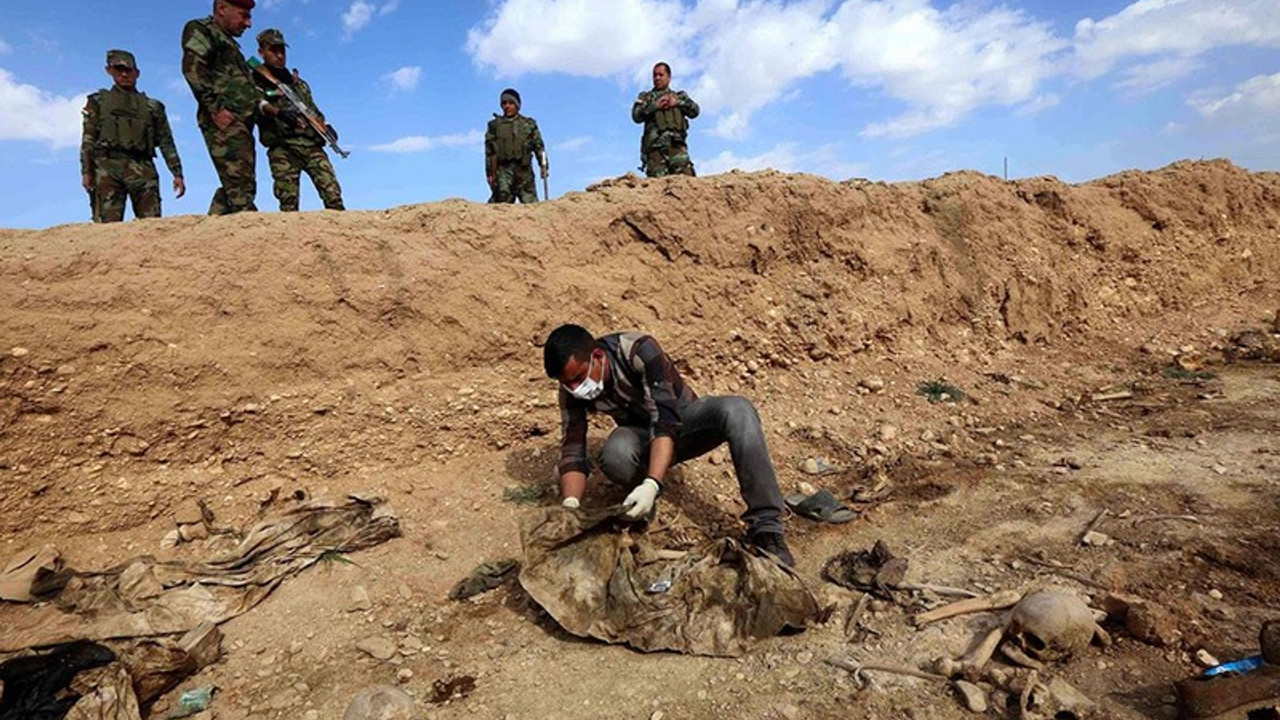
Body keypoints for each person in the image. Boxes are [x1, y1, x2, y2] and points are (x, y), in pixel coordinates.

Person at [542, 324, 794, 567]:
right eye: (567, 383)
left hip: (686, 423)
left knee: (738, 410)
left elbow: (665, 420)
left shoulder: (637, 350)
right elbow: (573, 447)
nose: (575, 388)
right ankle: (641, 502)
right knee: (616, 452)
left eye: (577, 378)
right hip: (643, 438)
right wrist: (570, 506)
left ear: (597, 356)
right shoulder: (571, 390)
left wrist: (652, 483)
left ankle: (766, 527)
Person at [182, 0, 288, 215]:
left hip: (241, 122)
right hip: (225, 120)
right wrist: (215, 109)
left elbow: (248, 90)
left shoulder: (231, 46)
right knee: (240, 188)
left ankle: (213, 230)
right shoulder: (202, 30)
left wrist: (275, 108)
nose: (249, 23)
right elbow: (193, 69)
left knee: (239, 183)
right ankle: (249, 234)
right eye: (243, 15)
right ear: (222, 8)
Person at [80, 50, 185, 223]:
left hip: (142, 168)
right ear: (109, 70)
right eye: (119, 69)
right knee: (107, 228)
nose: (124, 74)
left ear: (137, 73)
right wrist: (86, 171)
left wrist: (177, 173)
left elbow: (166, 142)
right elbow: (88, 139)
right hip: (107, 168)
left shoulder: (153, 107)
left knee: (151, 225)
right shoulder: (98, 102)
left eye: (129, 70)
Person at [252, 29, 344, 212]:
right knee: (289, 205)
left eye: (282, 51)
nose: (279, 55)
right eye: (273, 50)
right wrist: (279, 112)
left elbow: (313, 110)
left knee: (333, 197)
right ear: (261, 52)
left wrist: (326, 127)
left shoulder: (299, 84)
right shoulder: (255, 80)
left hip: (310, 146)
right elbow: (255, 103)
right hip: (283, 148)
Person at [631, 62, 699, 178]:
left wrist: (678, 103)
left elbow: (695, 111)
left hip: (677, 148)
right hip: (655, 150)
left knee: (686, 184)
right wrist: (654, 106)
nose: (657, 78)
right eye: (655, 75)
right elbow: (636, 116)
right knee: (658, 189)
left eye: (661, 75)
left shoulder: (679, 96)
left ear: (669, 77)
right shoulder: (646, 97)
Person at [485, 88, 547, 204]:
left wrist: (544, 166)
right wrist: (489, 173)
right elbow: (490, 151)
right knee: (501, 204)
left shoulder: (529, 124)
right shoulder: (494, 126)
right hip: (503, 171)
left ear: (517, 105)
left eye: (511, 103)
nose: (507, 106)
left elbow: (539, 146)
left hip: (524, 171)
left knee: (531, 205)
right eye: (504, 103)